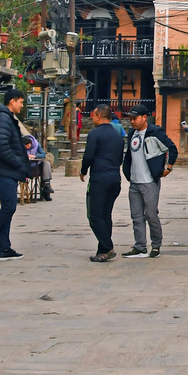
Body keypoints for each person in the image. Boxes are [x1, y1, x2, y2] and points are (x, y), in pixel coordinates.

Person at [0, 89, 36, 261]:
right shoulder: (3, 118)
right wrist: (18, 162)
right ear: (12, 102)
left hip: (7, 170)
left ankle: (5, 248)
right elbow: (2, 146)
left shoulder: (8, 118)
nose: (22, 105)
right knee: (9, 207)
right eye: (21, 102)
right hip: (4, 170)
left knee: (7, 209)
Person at [120, 103, 177, 258]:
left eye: (135, 118)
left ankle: (156, 245)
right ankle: (140, 246)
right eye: (130, 119)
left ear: (144, 117)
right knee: (136, 216)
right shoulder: (132, 134)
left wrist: (168, 167)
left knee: (151, 214)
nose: (132, 122)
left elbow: (172, 148)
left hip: (149, 181)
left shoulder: (155, 132)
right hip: (134, 181)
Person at [79, 103, 125, 262]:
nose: (92, 118)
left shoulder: (95, 134)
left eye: (93, 115)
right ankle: (102, 250)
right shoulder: (118, 136)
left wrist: (83, 170)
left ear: (99, 116)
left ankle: (107, 246)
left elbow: (88, 155)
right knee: (106, 215)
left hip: (99, 178)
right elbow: (120, 158)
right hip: (114, 178)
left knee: (94, 215)